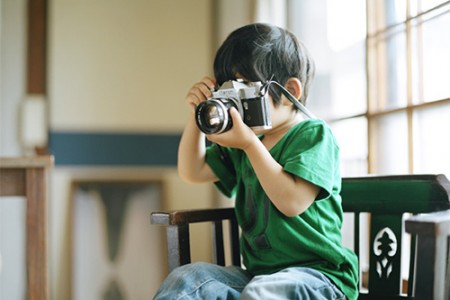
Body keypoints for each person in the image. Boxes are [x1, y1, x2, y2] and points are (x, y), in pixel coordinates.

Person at [154, 23, 359, 300]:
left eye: (245, 92)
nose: (235, 104)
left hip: (320, 277)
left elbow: (292, 202)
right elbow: (192, 170)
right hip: (258, 276)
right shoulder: (248, 142)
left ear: (290, 91)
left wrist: (249, 145)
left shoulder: (313, 135)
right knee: (186, 280)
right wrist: (196, 115)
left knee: (262, 292)